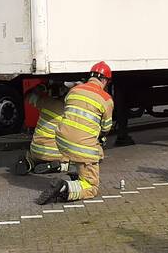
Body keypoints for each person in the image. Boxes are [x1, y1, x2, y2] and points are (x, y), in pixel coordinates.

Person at [35, 62, 114, 204]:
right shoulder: (106, 99)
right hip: (82, 146)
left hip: (61, 141)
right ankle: (65, 188)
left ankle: (73, 169)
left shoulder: (75, 90)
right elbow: (106, 127)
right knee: (92, 187)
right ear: (104, 81)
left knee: (96, 151)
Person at [18, 83, 67, 174]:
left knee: (31, 155)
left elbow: (28, 97)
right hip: (55, 153)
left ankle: (29, 163)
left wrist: (38, 89)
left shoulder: (45, 102)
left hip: (36, 150)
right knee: (74, 161)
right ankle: (57, 166)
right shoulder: (69, 110)